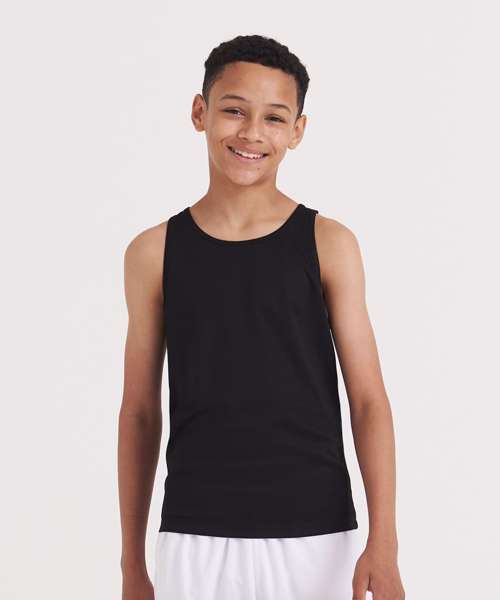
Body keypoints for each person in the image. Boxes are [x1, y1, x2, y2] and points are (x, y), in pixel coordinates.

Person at [118, 34, 405, 600]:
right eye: (233, 110)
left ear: (297, 131)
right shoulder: (153, 253)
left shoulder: (329, 243)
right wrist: (132, 563)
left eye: (274, 117)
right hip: (194, 535)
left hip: (316, 533)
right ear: (199, 112)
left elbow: (369, 400)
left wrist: (385, 542)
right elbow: (140, 412)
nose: (251, 132)